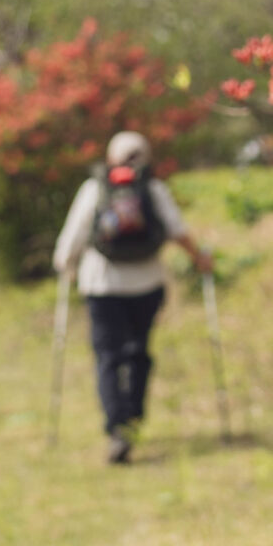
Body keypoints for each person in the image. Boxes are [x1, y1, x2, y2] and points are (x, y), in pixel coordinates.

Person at [52, 129, 210, 464]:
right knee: (138, 352)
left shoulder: (96, 188)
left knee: (108, 356)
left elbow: (74, 236)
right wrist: (200, 259)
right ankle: (133, 420)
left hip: (102, 284)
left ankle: (116, 428)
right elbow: (177, 231)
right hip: (147, 283)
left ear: (111, 157)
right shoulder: (152, 188)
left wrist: (65, 264)